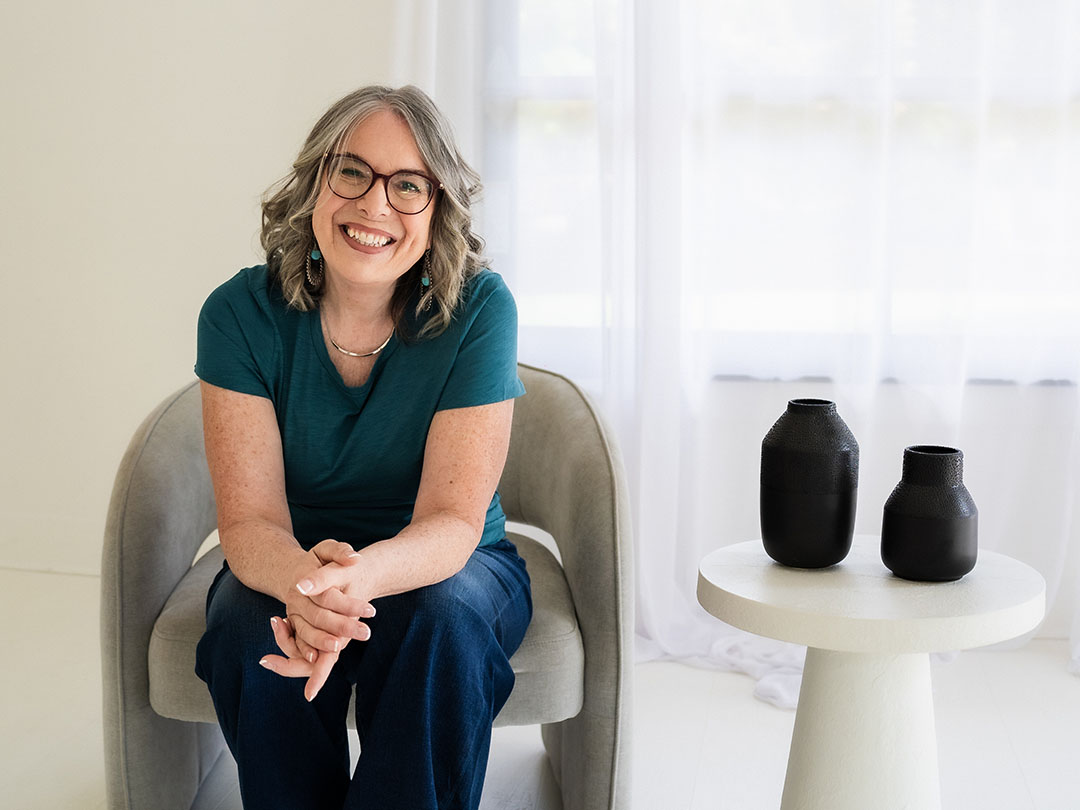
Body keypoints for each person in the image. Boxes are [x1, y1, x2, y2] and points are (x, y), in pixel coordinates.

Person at [193, 85, 532, 810]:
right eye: (352, 172)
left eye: (408, 186)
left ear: (436, 209)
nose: (375, 206)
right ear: (315, 182)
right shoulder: (237, 314)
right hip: (290, 556)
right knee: (243, 628)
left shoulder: (480, 309)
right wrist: (305, 587)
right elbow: (250, 522)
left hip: (453, 563)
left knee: (436, 621)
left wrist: (344, 586)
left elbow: (451, 522)